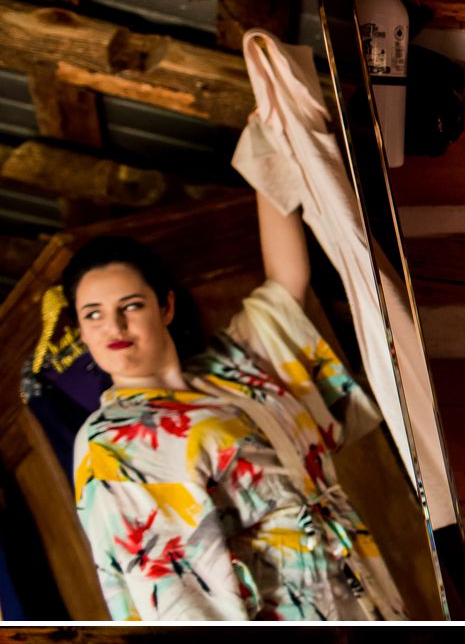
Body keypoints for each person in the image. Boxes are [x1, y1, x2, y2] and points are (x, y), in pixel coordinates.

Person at [61, 212, 405, 621]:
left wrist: (272, 153)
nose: (113, 326)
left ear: (166, 306)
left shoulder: (230, 373)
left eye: (131, 305)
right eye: (93, 314)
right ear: (80, 330)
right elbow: (172, 591)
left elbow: (286, 285)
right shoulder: (112, 439)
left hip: (363, 592)